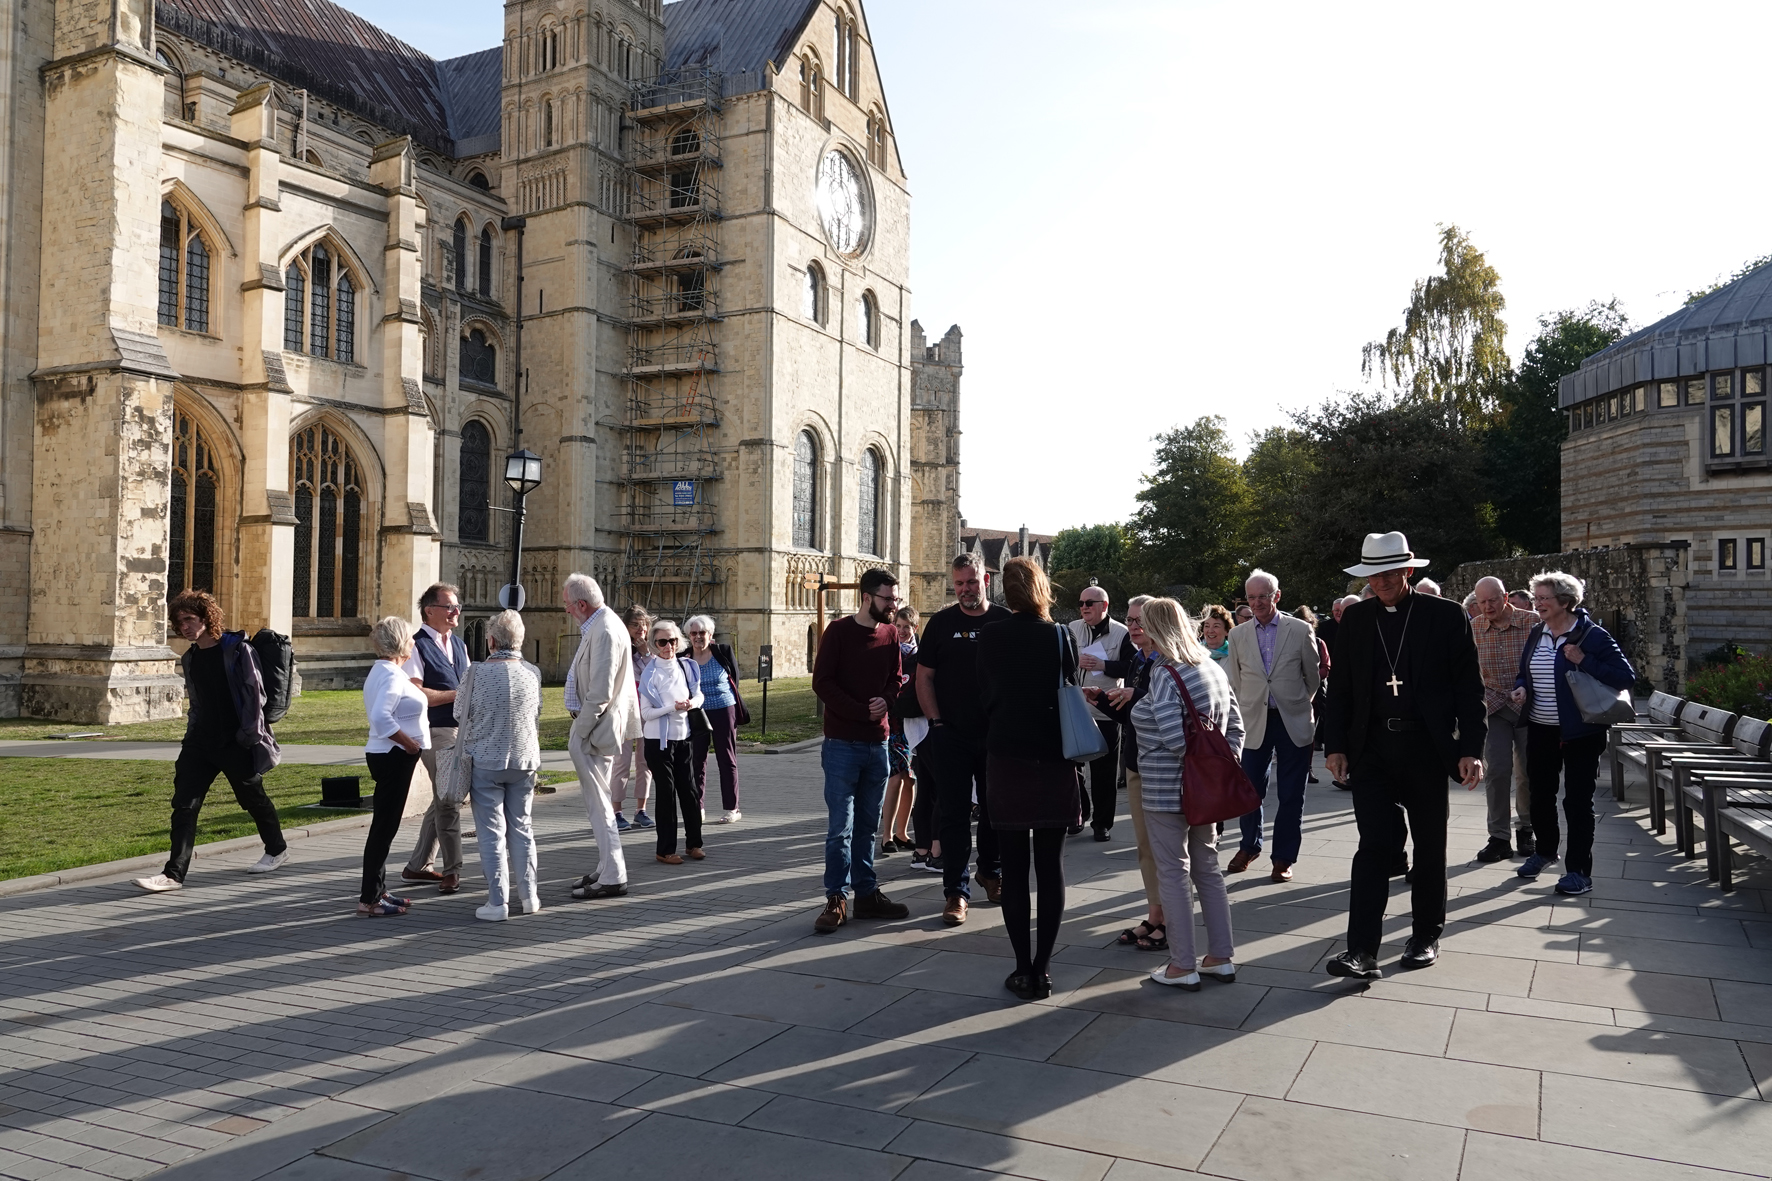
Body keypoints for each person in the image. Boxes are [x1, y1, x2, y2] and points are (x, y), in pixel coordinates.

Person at [1322, 533, 1485, 978]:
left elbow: (1470, 689)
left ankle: (1426, 935)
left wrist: (1471, 748)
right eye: (1374, 575)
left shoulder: (1446, 616)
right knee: (1373, 846)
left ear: (1409, 571)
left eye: (1390, 573)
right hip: (1372, 749)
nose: (1382, 582)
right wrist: (1335, 744)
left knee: (1430, 847)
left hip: (1427, 750)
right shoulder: (1355, 621)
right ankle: (1361, 950)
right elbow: (1341, 689)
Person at [975, 557, 1082, 999]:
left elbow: (982, 694)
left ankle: (1021, 967)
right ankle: (1044, 967)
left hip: (1007, 757)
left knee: (1014, 868)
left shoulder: (991, 635)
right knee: (1051, 866)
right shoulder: (1060, 635)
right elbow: (1070, 683)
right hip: (1054, 758)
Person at [134, 591, 287, 893]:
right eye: (180, 622)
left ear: (206, 618)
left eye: (190, 619)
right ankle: (173, 874)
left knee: (252, 799)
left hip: (235, 741)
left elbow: (256, 696)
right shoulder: (190, 658)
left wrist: (250, 736)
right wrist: (191, 735)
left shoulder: (238, 650)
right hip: (200, 743)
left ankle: (277, 849)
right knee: (184, 805)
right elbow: (197, 702)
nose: (185, 627)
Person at [1131, 598, 1242, 990]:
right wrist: (1217, 768)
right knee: (1207, 868)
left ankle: (1182, 964)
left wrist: (1190, 759)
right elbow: (1236, 728)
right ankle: (1220, 957)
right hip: (1206, 790)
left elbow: (1174, 738)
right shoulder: (1211, 666)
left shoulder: (1165, 671)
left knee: (1174, 873)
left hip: (1166, 788)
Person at [1510, 571, 1636, 896]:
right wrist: (1522, 688)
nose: (1537, 604)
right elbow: (1525, 672)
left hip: (1582, 732)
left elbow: (1625, 677)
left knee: (1577, 802)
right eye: (1536, 598)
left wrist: (1585, 660)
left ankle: (1579, 871)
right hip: (1540, 729)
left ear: (1565, 601)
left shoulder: (1593, 636)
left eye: (1543, 599)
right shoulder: (1538, 632)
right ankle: (1545, 852)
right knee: (1540, 796)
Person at [812, 568, 911, 933]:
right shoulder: (838, 632)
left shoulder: (889, 635)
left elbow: (896, 678)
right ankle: (836, 898)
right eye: (888, 599)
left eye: (895, 599)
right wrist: (858, 710)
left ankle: (866, 895)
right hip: (842, 744)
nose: (893, 606)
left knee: (868, 826)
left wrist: (886, 700)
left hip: (879, 743)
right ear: (867, 597)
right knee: (842, 827)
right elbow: (821, 682)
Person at [917, 553, 1012, 923]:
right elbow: (924, 677)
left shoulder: (1004, 621)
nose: (965, 590)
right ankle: (956, 892)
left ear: (985, 580)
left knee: (995, 811)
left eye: (971, 582)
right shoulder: (941, 623)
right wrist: (936, 721)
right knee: (954, 815)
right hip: (950, 734)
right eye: (958, 583)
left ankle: (990, 871)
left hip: (995, 735)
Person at [1225, 570, 1321, 883]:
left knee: (1292, 794)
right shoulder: (1238, 635)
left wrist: (1293, 702)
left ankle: (1283, 857)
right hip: (1254, 721)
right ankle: (1249, 846)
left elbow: (1313, 676)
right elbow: (1236, 681)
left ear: (1276, 596)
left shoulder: (1299, 629)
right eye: (1251, 598)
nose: (1257, 603)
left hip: (1291, 720)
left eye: (1263, 596)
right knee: (1250, 788)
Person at [1087, 595, 1167, 952]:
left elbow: (1163, 713)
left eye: (1140, 621)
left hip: (1164, 766)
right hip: (1137, 762)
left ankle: (1169, 922)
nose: (1133, 627)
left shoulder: (1167, 662)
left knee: (1167, 849)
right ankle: (1155, 915)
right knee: (1145, 847)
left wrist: (1135, 695)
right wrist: (1102, 700)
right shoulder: (1137, 660)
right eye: (1130, 621)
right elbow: (1131, 715)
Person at [457, 610, 543, 922]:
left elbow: (459, 713)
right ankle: (530, 895)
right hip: (524, 758)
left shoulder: (476, 673)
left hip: (486, 758)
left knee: (492, 832)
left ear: (491, 641)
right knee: (522, 827)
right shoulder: (532, 672)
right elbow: (537, 712)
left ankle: (497, 901)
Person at [562, 573, 642, 901]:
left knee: (600, 805)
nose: (566, 610)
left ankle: (613, 875)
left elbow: (601, 690)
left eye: (567, 605)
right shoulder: (599, 624)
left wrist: (580, 731)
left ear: (581, 604)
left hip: (595, 730)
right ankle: (606, 866)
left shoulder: (605, 628)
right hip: (596, 727)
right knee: (597, 804)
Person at [357, 616, 430, 917]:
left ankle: (378, 890)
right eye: (410, 637)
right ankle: (369, 899)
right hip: (392, 755)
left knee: (385, 827)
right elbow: (381, 717)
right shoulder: (389, 675)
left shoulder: (386, 671)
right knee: (383, 828)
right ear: (400, 641)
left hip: (389, 754)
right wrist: (409, 744)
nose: (414, 642)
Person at [400, 583, 469, 896]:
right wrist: (458, 695)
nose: (456, 612)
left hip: (462, 730)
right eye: (449, 606)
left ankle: (418, 865)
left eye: (457, 606)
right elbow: (416, 693)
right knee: (450, 800)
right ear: (430, 611)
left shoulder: (460, 645)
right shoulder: (416, 646)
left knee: (444, 797)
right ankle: (453, 871)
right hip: (433, 731)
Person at [1471, 576, 1539, 863]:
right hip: (1494, 708)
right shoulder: (1473, 628)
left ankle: (1527, 828)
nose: (1487, 606)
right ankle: (1499, 836)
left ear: (1506, 597)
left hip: (1529, 708)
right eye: (1481, 602)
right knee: (1497, 771)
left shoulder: (1532, 622)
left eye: (1493, 600)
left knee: (1527, 772)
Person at [640, 620, 705, 865]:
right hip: (658, 741)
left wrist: (692, 703)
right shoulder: (651, 673)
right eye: (662, 642)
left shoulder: (687, 665)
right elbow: (646, 713)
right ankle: (665, 849)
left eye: (673, 640)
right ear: (654, 645)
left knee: (689, 791)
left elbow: (699, 694)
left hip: (684, 737)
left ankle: (694, 843)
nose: (669, 646)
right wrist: (672, 707)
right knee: (667, 794)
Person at [1071, 585, 1130, 841]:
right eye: (1081, 602)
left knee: (1104, 773)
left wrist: (1103, 665)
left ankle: (1102, 823)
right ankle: (1078, 814)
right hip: (1076, 710)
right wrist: (1075, 662)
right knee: (1072, 767)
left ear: (1104, 606)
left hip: (1106, 710)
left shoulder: (1121, 633)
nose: (1084, 607)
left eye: (1090, 603)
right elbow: (1060, 661)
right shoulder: (1072, 628)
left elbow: (1131, 667)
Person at [686, 615, 745, 824]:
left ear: (710, 635)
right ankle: (697, 807)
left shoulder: (723, 652)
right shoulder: (684, 657)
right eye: (694, 633)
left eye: (702, 633)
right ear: (688, 636)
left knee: (726, 759)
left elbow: (734, 679)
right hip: (697, 713)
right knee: (696, 761)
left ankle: (732, 808)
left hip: (723, 708)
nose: (698, 637)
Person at [611, 605, 655, 831]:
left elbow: (655, 675)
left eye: (644, 625)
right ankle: (616, 811)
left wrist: (646, 652)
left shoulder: (652, 650)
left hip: (647, 711)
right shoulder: (620, 648)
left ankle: (641, 810)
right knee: (622, 762)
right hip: (625, 711)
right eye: (635, 625)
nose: (640, 629)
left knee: (645, 762)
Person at [881, 606, 920, 856]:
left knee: (911, 779)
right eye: (899, 626)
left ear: (915, 628)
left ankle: (902, 832)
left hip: (915, 725)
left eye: (907, 626)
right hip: (894, 723)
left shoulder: (921, 655)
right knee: (895, 777)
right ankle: (886, 836)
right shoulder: (887, 653)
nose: (903, 631)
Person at [1296, 605, 1332, 785]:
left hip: (1313, 697)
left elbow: (1326, 667)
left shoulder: (1319, 643)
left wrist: (1309, 677)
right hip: (1291, 696)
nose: (1305, 626)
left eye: (1309, 623)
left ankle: (1307, 767)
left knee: (1308, 734)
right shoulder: (1289, 642)